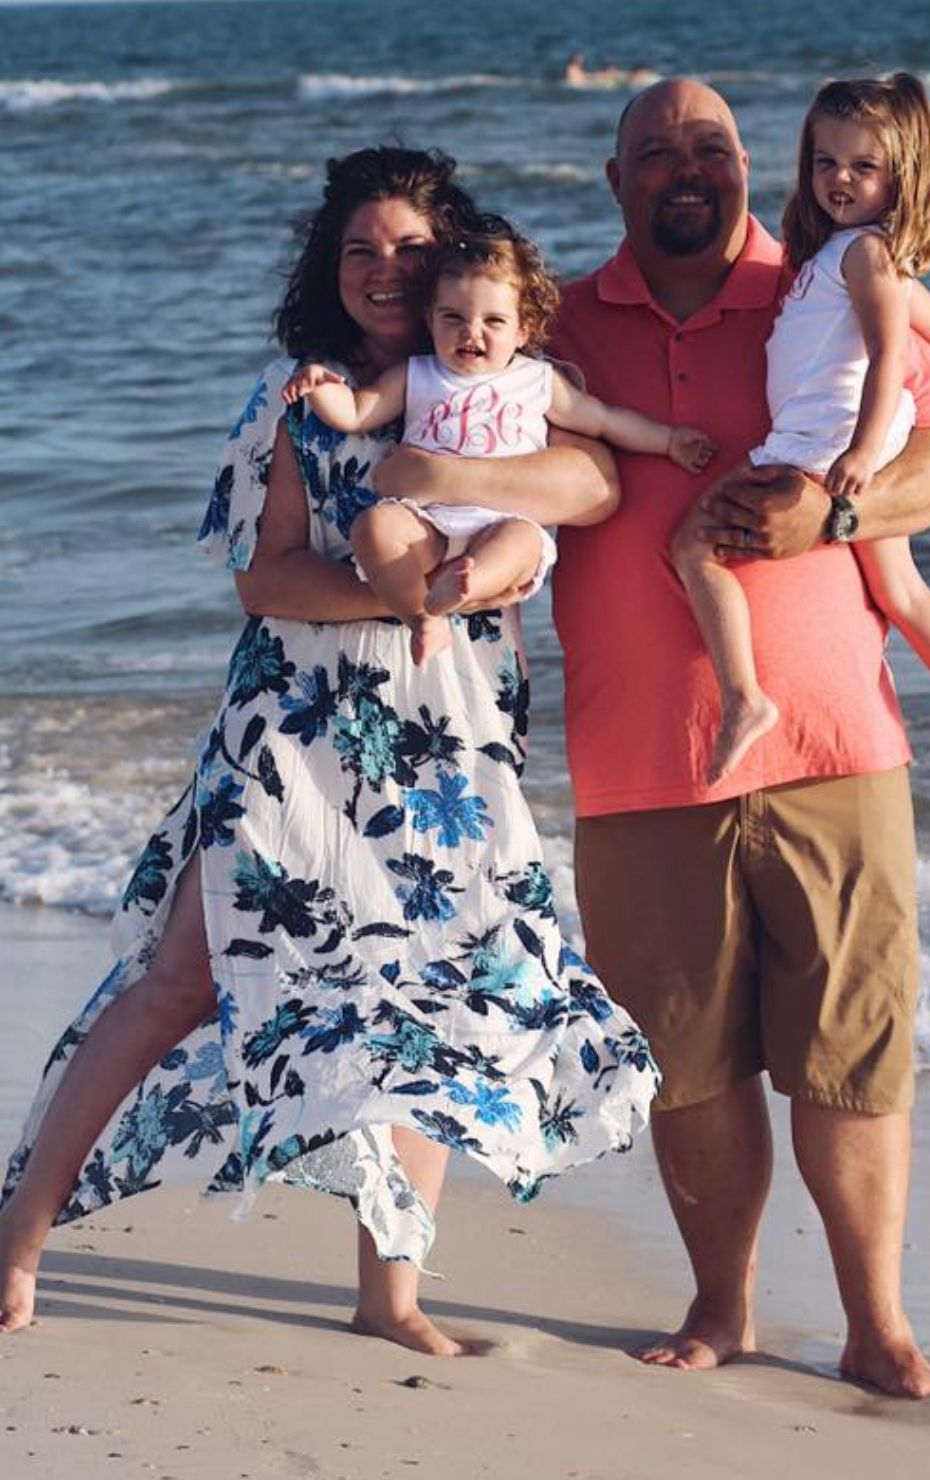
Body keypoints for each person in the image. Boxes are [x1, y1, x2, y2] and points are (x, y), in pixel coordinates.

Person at [0, 146, 658, 1354]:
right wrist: (416, 602)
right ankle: (19, 1237)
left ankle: (389, 1291)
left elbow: (594, 483)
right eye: (358, 248)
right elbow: (266, 578)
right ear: (328, 266)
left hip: (450, 745)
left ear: (452, 256)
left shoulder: (498, 374)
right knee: (179, 982)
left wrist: (452, 487)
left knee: (433, 998)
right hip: (293, 730)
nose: (384, 268)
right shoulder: (295, 394)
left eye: (409, 247)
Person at [539, 78, 930, 1398]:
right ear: (613, 179)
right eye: (657, 149)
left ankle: (875, 1326)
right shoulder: (557, 323)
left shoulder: (816, 286)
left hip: (833, 740)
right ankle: (721, 1305)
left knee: (850, 1049)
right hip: (637, 764)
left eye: (714, 145)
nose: (689, 166)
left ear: (755, 166)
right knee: (684, 1061)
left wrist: (831, 520)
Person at [669, 73, 930, 795]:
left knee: (693, 546)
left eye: (864, 167)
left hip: (818, 447)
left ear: (901, 175)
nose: (839, 179)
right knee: (902, 589)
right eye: (826, 163)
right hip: (829, 439)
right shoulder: (843, 253)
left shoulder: (866, 253)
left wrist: (866, 448)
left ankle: (744, 697)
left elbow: (894, 350)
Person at [282, 225, 713, 664]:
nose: (472, 333)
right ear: (429, 318)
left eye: (493, 321)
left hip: (502, 518)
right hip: (426, 521)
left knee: (520, 543)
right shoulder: (418, 374)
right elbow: (357, 412)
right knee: (374, 528)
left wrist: (668, 441)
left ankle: (470, 582)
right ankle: (422, 619)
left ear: (524, 328)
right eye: (453, 318)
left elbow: (604, 420)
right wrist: (319, 384)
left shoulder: (537, 380)